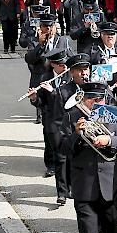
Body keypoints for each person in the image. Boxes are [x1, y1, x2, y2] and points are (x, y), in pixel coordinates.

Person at [60, 81, 117, 233]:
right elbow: (62, 148)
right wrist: (77, 135)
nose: (96, 103)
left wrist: (109, 140)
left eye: (100, 99)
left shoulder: (114, 115)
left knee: (111, 227)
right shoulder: (71, 116)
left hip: (110, 181)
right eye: (92, 99)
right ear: (84, 98)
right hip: (84, 184)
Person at [51, 53, 91, 205]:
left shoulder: (96, 88)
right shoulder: (64, 91)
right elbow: (57, 117)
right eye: (80, 70)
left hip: (89, 131)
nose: (84, 73)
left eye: (86, 69)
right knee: (62, 160)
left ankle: (77, 188)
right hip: (68, 130)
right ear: (71, 72)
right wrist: (59, 137)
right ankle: (62, 192)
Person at [28, 48, 71, 181]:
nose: (64, 67)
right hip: (51, 116)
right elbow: (40, 103)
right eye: (60, 65)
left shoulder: (70, 77)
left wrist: (54, 91)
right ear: (52, 64)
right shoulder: (45, 78)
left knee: (66, 147)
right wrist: (35, 98)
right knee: (50, 142)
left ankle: (66, 173)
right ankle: (50, 166)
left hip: (66, 115)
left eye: (65, 64)